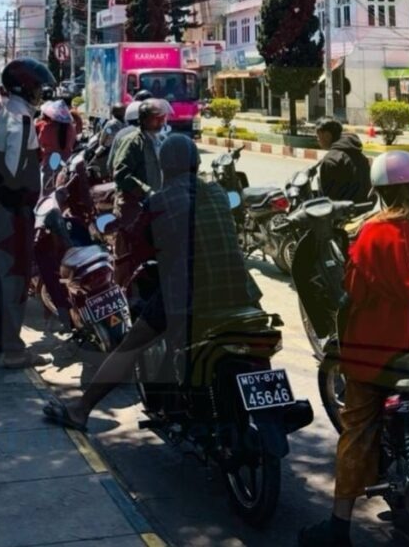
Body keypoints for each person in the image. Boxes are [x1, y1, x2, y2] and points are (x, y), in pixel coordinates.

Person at [298, 151, 409, 546]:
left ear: (379, 191)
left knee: (358, 427)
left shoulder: (372, 235)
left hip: (384, 358)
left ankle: (339, 526)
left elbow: (355, 293)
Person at [42, 134, 262, 432]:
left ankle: (80, 411)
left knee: (128, 348)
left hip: (188, 298)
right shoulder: (218, 193)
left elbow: (137, 245)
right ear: (197, 163)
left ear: (162, 167)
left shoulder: (159, 201)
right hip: (241, 293)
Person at [0, 58, 53, 368]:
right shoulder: (22, 120)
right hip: (13, 210)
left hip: (0, 206)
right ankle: (13, 348)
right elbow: (12, 174)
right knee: (15, 275)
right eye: (37, 86)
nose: (40, 92)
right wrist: (20, 204)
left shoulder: (5, 112)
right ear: (24, 86)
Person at [111, 99, 171, 287]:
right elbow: (120, 173)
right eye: (156, 119)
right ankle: (121, 293)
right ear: (144, 120)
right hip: (132, 207)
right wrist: (146, 191)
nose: (161, 122)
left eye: (163, 118)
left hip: (153, 206)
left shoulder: (158, 140)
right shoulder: (133, 142)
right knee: (126, 254)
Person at [316, 118, 372, 204]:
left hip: (341, 213)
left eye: (318, 136)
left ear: (327, 135)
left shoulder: (330, 160)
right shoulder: (359, 155)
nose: (317, 140)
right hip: (363, 209)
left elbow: (328, 199)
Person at [36, 99, 76, 189]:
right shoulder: (71, 128)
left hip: (50, 163)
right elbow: (73, 142)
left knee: (47, 191)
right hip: (66, 163)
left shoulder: (47, 128)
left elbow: (41, 142)